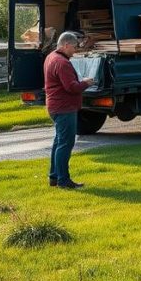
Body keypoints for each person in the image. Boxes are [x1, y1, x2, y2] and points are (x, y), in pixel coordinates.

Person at [44, 32, 95, 189]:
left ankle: (54, 177)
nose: (75, 50)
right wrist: (86, 83)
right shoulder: (62, 63)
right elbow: (72, 87)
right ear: (66, 45)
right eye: (74, 47)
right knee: (66, 143)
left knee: (59, 141)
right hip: (64, 108)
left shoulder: (51, 57)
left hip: (55, 106)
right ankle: (63, 180)